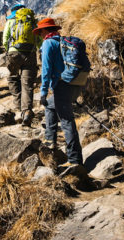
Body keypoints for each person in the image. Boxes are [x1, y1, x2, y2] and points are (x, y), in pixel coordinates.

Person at [37, 17, 85, 172]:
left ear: (45, 30)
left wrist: (43, 92)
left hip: (62, 85)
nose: (40, 35)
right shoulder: (63, 41)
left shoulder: (48, 43)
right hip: (75, 83)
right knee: (51, 107)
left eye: (40, 32)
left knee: (66, 121)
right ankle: (50, 140)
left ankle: (74, 159)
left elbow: (46, 70)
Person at [3, 4, 39, 126]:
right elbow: (39, 40)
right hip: (30, 54)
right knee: (27, 84)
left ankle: (18, 105)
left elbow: (5, 39)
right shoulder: (32, 21)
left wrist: (9, 51)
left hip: (14, 54)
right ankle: (27, 111)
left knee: (13, 78)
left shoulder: (11, 21)